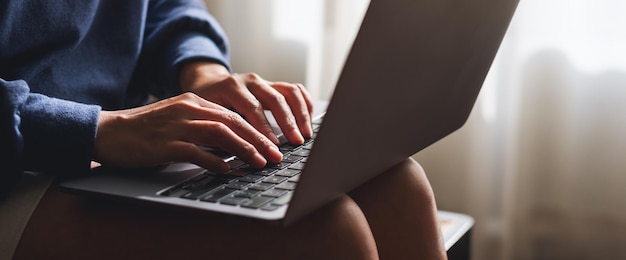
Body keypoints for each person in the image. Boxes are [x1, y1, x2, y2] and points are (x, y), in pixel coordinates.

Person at [0, 1, 447, 259]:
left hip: (114, 129)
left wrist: (202, 73)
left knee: (395, 183)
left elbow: (164, 6)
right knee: (328, 233)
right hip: (18, 163)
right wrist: (95, 129)